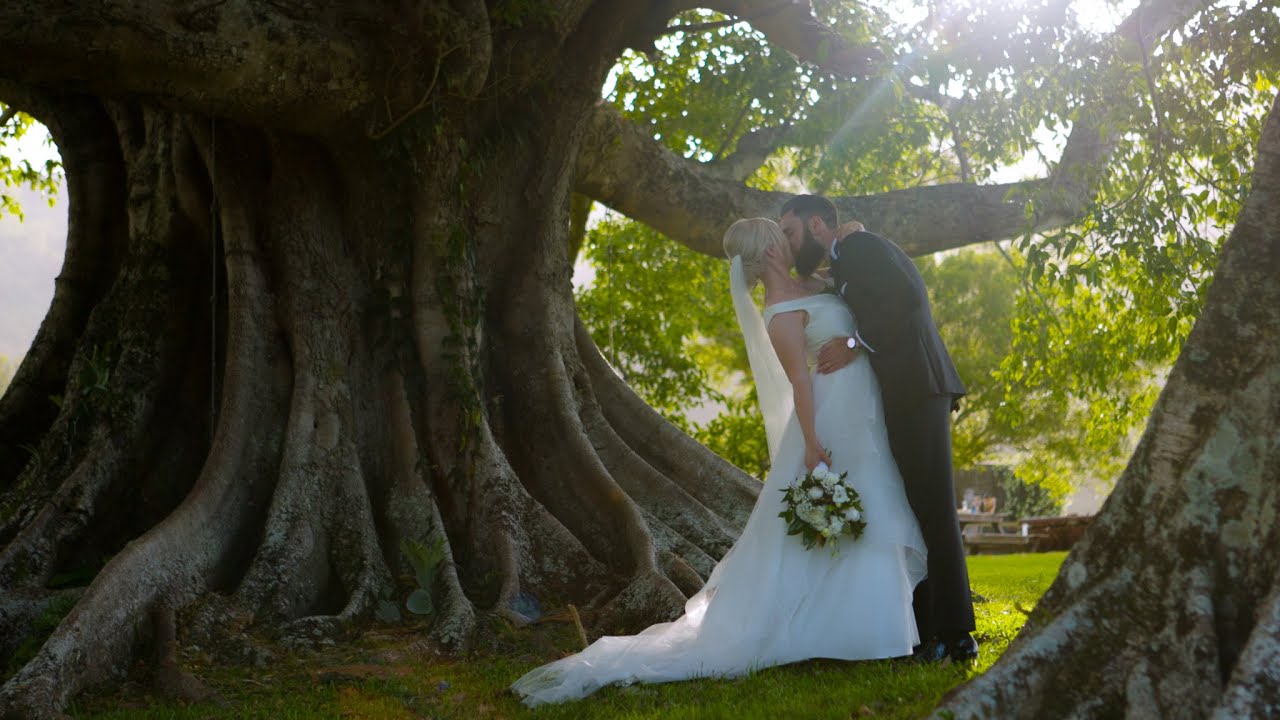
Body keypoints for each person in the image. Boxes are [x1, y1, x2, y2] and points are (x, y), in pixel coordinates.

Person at [510, 218, 926, 706]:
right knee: (845, 516)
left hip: (862, 408)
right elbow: (800, 382)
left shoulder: (814, 283)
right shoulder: (781, 312)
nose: (789, 237)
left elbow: (851, 267)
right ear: (768, 250)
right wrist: (812, 443)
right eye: (780, 234)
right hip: (830, 418)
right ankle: (848, 632)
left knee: (873, 506)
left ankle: (874, 627)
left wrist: (850, 235)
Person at [776, 194, 977, 663]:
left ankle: (958, 635)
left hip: (920, 387)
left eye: (791, 232)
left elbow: (907, 298)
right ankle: (927, 630)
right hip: (903, 393)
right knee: (916, 507)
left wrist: (854, 342)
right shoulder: (845, 259)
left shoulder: (861, 248)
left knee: (935, 510)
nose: (789, 242)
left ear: (818, 225)